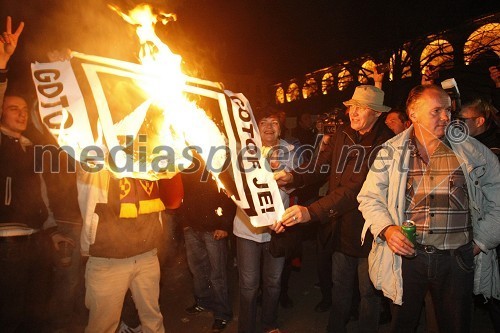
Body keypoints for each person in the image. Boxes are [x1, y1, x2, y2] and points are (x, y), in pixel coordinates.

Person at [357, 84, 500, 332]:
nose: (445, 117)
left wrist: (482, 240)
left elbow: (497, 196)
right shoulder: (391, 152)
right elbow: (370, 197)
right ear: (413, 113)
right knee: (402, 324)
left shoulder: (473, 151)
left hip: (458, 259)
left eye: (448, 110)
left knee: (455, 325)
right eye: (437, 111)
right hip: (409, 258)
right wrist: (388, 229)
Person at [275, 85, 394, 333]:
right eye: (352, 107)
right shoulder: (343, 133)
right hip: (339, 227)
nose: (354, 112)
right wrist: (292, 176)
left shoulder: (385, 143)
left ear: (377, 113)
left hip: (368, 232)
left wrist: (311, 212)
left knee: (368, 294)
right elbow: (319, 165)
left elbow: (354, 190)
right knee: (340, 286)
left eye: (361, 108)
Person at [234, 106, 298, 333]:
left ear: (280, 128)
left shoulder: (290, 151)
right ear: (255, 127)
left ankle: (269, 323)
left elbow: (294, 186)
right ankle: (246, 328)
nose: (269, 127)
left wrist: (287, 179)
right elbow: (237, 189)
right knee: (249, 286)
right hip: (248, 229)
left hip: (277, 228)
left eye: (274, 123)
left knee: (273, 282)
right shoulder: (244, 152)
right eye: (264, 123)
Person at [79, 169, 167, 333]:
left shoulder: (146, 160)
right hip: (108, 259)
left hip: (147, 254)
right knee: (102, 326)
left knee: (153, 320)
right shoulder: (98, 163)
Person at [179, 153, 236, 333]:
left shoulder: (216, 160)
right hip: (191, 225)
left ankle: (222, 313)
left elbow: (229, 194)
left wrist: (224, 225)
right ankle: (203, 301)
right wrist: (185, 222)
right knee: (197, 269)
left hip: (214, 228)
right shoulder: (185, 161)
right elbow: (181, 192)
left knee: (217, 273)